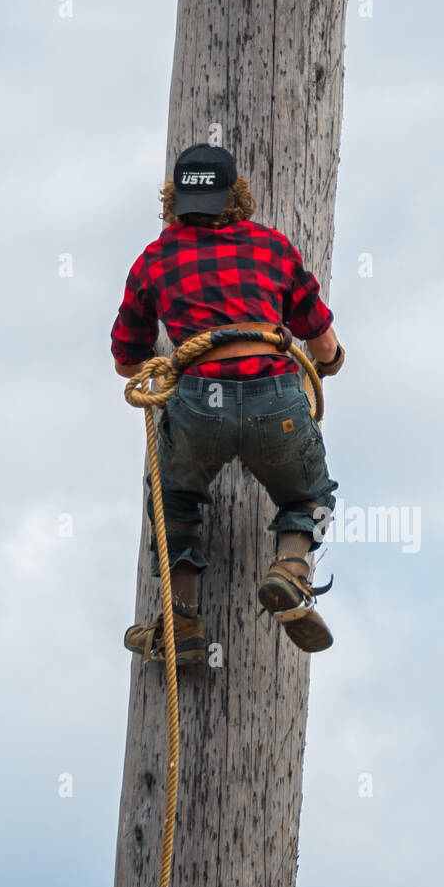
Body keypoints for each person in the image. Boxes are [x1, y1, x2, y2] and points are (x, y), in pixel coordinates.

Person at [111, 142, 343, 658]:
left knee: (172, 500)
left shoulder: (153, 260)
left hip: (197, 406)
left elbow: (127, 361)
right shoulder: (272, 248)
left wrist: (169, 359)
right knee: (311, 497)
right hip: (276, 399)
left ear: (173, 200)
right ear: (235, 196)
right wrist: (326, 365)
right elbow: (323, 345)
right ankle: (291, 567)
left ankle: (185, 625)